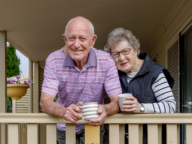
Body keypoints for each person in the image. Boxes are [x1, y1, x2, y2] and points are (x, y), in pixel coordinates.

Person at [40, 17, 122, 144]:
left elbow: (118, 101)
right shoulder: (53, 60)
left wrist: (105, 109)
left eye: (82, 38)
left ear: (92, 40)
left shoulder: (106, 61)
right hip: (65, 125)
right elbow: (45, 103)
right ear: (65, 39)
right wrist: (64, 111)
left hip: (93, 125)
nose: (76, 44)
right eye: (72, 38)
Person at [103, 28, 176, 144]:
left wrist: (141, 108)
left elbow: (171, 106)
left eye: (125, 51)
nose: (121, 58)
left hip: (152, 139)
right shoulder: (113, 75)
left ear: (136, 50)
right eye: (116, 54)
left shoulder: (155, 73)